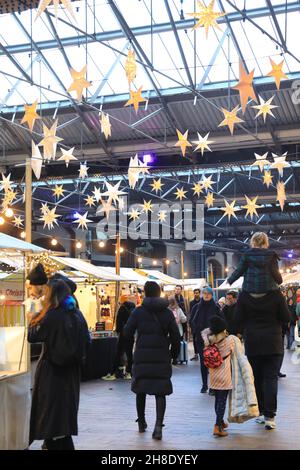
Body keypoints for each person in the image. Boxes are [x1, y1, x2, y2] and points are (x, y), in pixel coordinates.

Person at [28, 279, 90, 450]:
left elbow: (32, 335)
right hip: (71, 373)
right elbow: (87, 342)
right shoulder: (77, 314)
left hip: (52, 373)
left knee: (52, 418)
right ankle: (51, 442)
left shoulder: (52, 316)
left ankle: (52, 442)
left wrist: (34, 312)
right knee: (62, 419)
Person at [124, 281, 181, 441]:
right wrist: (173, 354)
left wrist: (131, 354)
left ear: (145, 293)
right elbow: (176, 336)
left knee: (140, 388)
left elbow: (127, 333)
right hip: (161, 356)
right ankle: (158, 427)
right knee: (160, 391)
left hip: (142, 356)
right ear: (159, 293)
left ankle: (141, 422)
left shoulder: (138, 312)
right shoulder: (167, 313)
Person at [235, 288, 291, 430]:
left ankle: (260, 412)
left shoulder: (244, 295)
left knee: (257, 378)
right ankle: (270, 417)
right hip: (273, 341)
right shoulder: (276, 293)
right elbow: (286, 317)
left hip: (253, 342)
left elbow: (237, 319)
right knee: (271, 378)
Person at [201, 316, 235, 437]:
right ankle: (217, 427)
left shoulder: (208, 340)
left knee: (217, 399)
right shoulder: (229, 340)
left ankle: (220, 422)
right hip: (224, 373)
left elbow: (204, 332)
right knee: (222, 400)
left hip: (213, 374)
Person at [190, 286, 222, 394]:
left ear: (211, 295)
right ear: (202, 295)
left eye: (208, 293)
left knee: (213, 362)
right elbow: (192, 321)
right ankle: (204, 385)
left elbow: (221, 322)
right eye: (204, 293)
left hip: (213, 339)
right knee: (204, 362)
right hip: (200, 339)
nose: (206, 295)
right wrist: (197, 331)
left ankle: (213, 386)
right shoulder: (196, 307)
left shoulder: (216, 307)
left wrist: (214, 332)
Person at [102, 295, 136, 380]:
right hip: (131, 334)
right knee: (129, 354)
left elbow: (119, 321)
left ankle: (113, 373)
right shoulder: (133, 309)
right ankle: (129, 373)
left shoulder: (122, 308)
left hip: (123, 334)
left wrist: (117, 331)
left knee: (118, 353)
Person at [189, 289, 201, 361]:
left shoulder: (202, 302)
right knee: (194, 339)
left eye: (197, 293)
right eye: (195, 293)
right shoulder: (191, 303)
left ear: (199, 293)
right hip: (194, 323)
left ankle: (203, 353)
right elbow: (191, 313)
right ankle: (196, 354)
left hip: (201, 323)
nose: (196, 294)